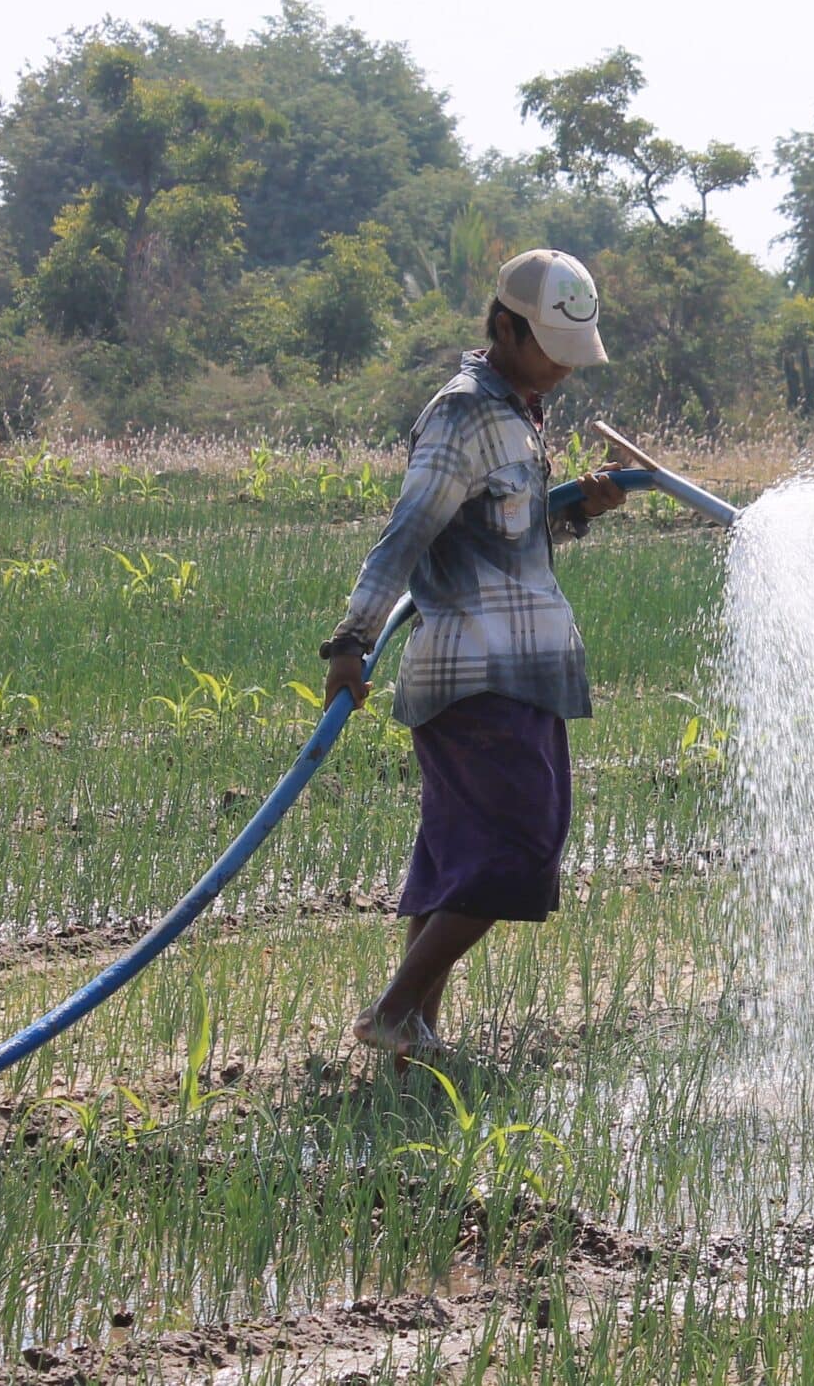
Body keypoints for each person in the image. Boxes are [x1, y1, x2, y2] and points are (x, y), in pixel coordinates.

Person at [319, 248, 626, 1060]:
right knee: (518, 848)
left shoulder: (521, 409)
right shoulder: (463, 412)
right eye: (548, 350)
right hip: (476, 673)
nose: (561, 370)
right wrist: (352, 639)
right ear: (502, 327)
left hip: (522, 667)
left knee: (462, 855)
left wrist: (581, 507)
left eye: (571, 355)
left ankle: (414, 1029)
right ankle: (391, 1010)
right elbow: (409, 532)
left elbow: (505, 535)